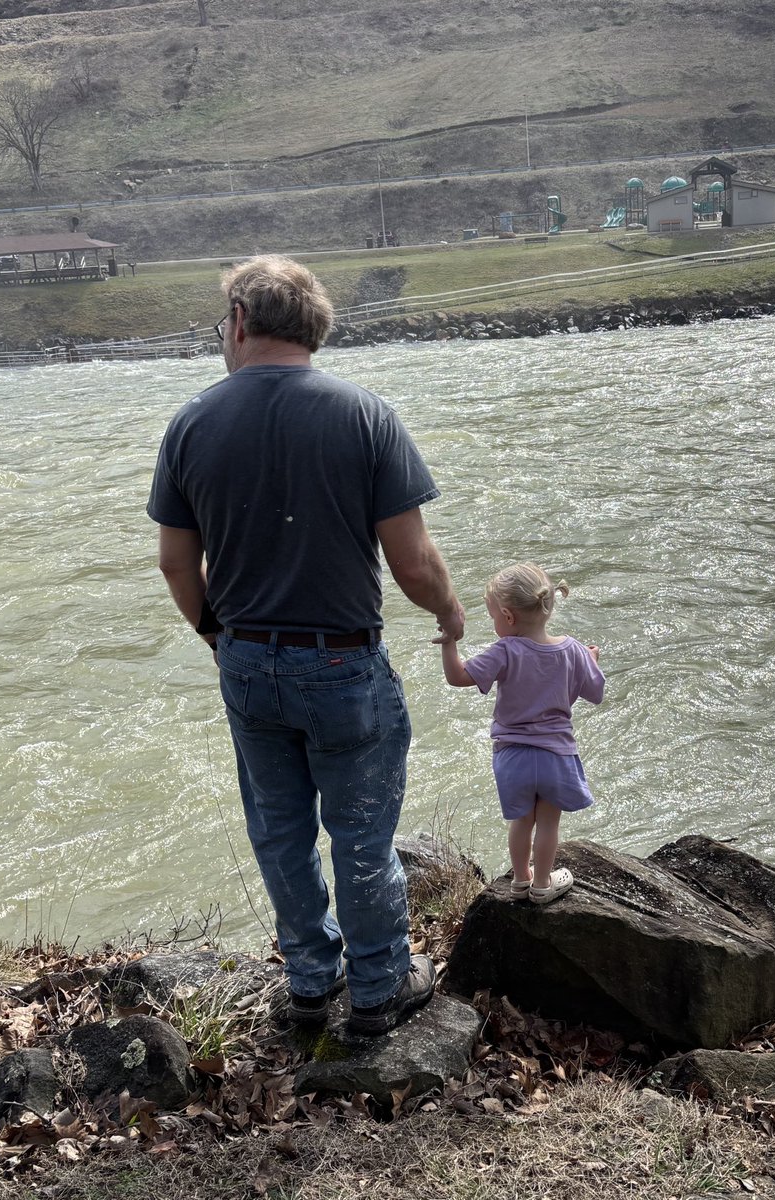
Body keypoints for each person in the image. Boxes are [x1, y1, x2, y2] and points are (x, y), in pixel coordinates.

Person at [147, 254, 464, 1037]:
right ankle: (380, 986)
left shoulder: (191, 422)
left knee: (279, 829)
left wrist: (215, 634)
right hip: (342, 659)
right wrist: (452, 616)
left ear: (243, 321)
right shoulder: (364, 414)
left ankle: (310, 984)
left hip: (249, 658)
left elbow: (175, 563)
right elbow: (415, 563)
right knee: (361, 828)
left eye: (223, 322)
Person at [436, 563, 604, 903]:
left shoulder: (506, 650)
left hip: (512, 757)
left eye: (493, 616)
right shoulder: (573, 650)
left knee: (521, 822)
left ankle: (521, 880)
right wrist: (592, 660)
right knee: (548, 824)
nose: (494, 623)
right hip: (557, 754)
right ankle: (543, 883)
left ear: (509, 617)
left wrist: (449, 642)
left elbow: (457, 677)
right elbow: (596, 693)